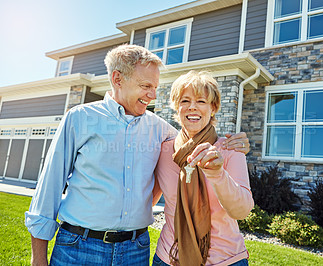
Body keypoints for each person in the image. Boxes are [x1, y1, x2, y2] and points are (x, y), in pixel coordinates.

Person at [25, 44, 249, 266]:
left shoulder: (160, 130)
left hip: (134, 251)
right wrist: (38, 258)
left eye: (155, 87)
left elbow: (193, 136)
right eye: (146, 86)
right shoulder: (80, 118)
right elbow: (49, 187)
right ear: (117, 79)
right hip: (78, 248)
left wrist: (236, 144)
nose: (152, 95)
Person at [152, 70, 254, 266]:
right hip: (168, 258)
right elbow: (149, 198)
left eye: (201, 101)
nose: (192, 107)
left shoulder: (230, 149)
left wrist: (217, 174)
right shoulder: (164, 150)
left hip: (225, 259)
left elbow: (241, 211)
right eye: (185, 101)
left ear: (213, 107)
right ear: (176, 106)